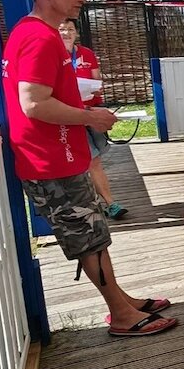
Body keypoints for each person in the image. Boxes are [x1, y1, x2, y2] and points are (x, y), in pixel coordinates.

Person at [3, 0, 176, 337]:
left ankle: (122, 301)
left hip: (57, 156)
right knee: (89, 240)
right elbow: (33, 103)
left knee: (95, 237)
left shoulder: (32, 32)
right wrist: (91, 119)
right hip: (51, 161)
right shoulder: (40, 37)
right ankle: (121, 317)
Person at [59, 16, 126, 219]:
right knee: (91, 160)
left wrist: (92, 90)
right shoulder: (52, 55)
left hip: (90, 112)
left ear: (77, 32)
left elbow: (97, 83)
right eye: (62, 29)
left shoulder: (86, 53)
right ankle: (108, 203)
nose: (66, 33)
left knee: (94, 160)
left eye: (70, 29)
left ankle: (103, 204)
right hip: (68, 117)